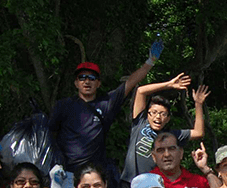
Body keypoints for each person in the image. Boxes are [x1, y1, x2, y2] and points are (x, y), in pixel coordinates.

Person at [49, 41, 162, 174]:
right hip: (65, 172)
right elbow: (50, 133)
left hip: (94, 173)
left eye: (91, 78)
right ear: (76, 83)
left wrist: (150, 61)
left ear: (98, 83)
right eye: (82, 78)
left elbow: (131, 82)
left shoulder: (107, 102)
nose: (87, 81)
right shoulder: (64, 105)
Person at [115, 74, 204, 188]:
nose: (158, 117)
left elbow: (198, 132)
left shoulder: (170, 136)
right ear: (148, 114)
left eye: (163, 114)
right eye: (154, 112)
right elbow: (140, 91)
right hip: (129, 183)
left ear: (168, 118)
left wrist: (198, 104)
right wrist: (169, 84)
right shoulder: (139, 123)